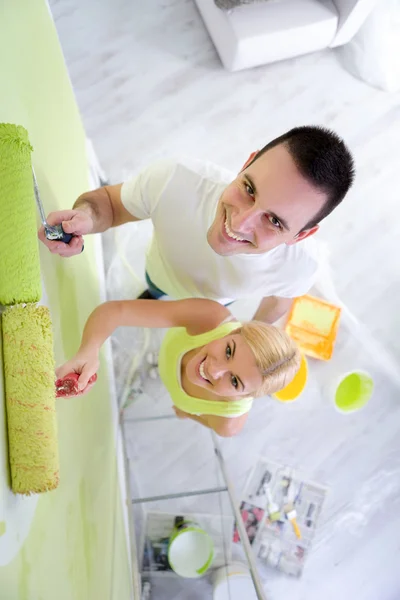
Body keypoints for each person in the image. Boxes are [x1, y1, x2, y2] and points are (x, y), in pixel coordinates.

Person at [39, 126, 355, 323]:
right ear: (247, 162)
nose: (240, 223)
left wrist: (251, 336)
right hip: (159, 273)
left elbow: (279, 299)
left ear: (301, 236)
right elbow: (108, 203)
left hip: (212, 302)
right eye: (248, 189)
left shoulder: (300, 267)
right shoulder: (175, 179)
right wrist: (86, 217)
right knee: (154, 293)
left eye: (273, 221)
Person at [56, 297, 300, 437]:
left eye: (234, 381)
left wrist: (189, 414)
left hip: (170, 368)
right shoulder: (210, 318)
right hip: (171, 346)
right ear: (234, 331)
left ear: (244, 397)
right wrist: (89, 350)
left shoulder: (228, 423)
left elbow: (211, 425)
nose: (214, 370)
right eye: (228, 350)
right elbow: (117, 311)